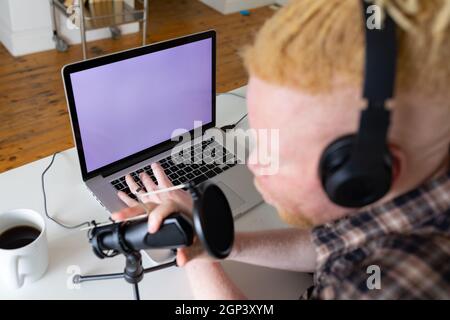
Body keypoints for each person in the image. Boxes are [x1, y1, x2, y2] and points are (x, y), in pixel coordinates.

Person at [112, 0, 450, 299]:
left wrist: (189, 252)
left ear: (361, 174)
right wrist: (212, 239)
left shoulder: (392, 284)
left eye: (278, 154)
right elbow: (338, 243)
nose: (254, 163)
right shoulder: (416, 178)